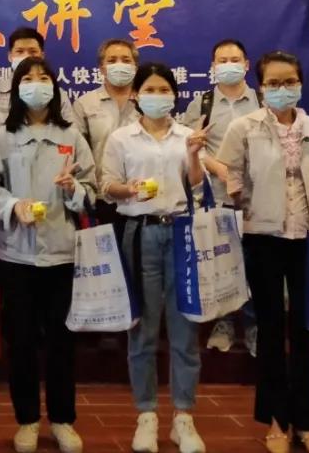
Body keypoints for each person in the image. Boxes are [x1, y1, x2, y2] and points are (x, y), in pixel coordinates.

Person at [215, 51, 309, 453]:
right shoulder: (244, 128)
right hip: (262, 237)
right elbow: (227, 173)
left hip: (308, 237)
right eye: (273, 83)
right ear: (261, 87)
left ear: (300, 84)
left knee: (305, 331)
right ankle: (275, 422)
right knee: (269, 331)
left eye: (289, 82)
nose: (282, 89)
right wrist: (237, 191)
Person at [0, 56, 96, 453]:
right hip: (17, 257)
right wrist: (13, 206)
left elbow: (92, 190)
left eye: (43, 78)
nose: (36, 85)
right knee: (22, 341)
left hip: (63, 255)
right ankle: (27, 420)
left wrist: (73, 190)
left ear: (55, 88)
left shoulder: (71, 136)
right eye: (27, 79)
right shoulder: (3, 137)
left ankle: (62, 420)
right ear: (16, 89)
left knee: (62, 342)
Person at [100, 62, 206, 453]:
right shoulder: (121, 138)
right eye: (150, 90)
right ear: (136, 95)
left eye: (164, 90)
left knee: (184, 328)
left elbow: (197, 185)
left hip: (181, 232)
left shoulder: (187, 136)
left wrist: (194, 155)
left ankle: (183, 417)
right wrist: (127, 190)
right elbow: (106, 185)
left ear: (174, 95)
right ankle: (146, 414)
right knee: (142, 329)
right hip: (139, 232)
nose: (158, 96)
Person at [179, 39, 260, 356]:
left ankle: (253, 326)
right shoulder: (201, 104)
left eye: (234, 59)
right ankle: (224, 323)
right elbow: (189, 145)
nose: (228, 65)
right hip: (217, 196)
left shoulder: (262, 100)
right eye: (222, 60)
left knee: (254, 266)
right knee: (222, 261)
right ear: (213, 67)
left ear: (246, 65)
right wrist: (219, 168)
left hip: (257, 198)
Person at [0, 27, 73, 280]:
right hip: (8, 200)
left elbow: (70, 148)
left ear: (42, 55)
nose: (26, 56)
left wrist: (71, 185)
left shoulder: (60, 99)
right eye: (20, 51)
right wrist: (12, 203)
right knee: (5, 282)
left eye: (32, 51)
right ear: (10, 55)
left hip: (56, 219)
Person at [74, 38, 141, 236]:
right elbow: (78, 153)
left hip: (143, 197)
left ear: (135, 67)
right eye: (112, 60)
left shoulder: (148, 101)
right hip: (102, 200)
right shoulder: (85, 104)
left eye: (126, 60)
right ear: (102, 68)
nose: (119, 65)